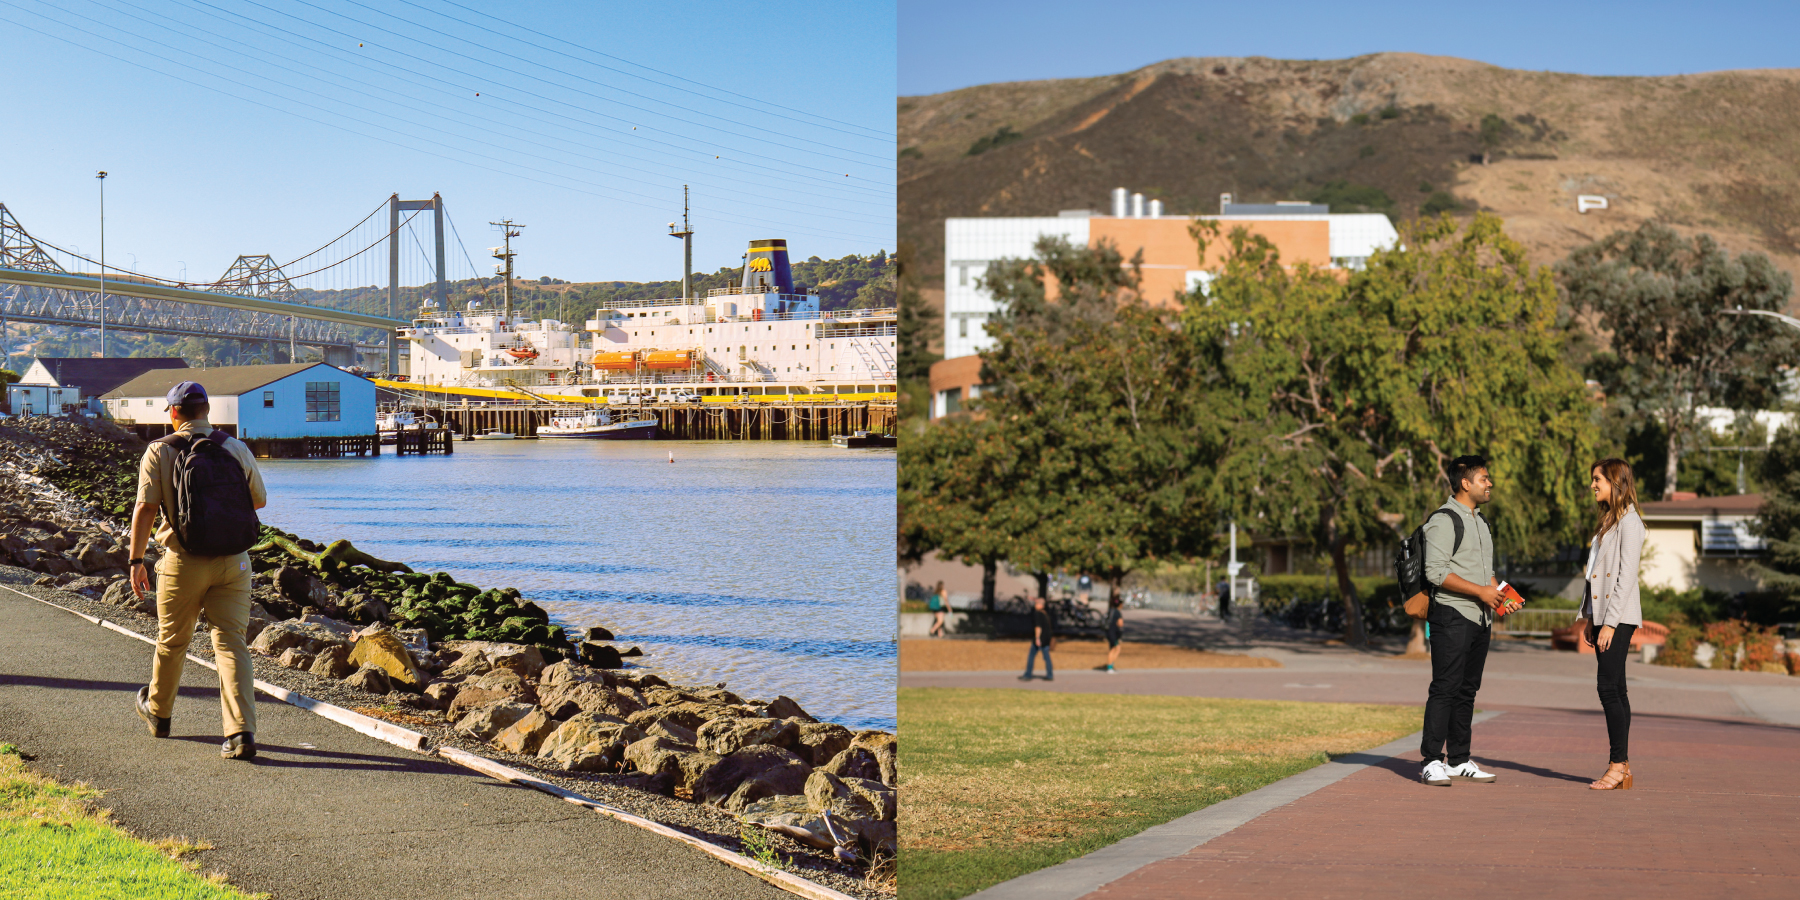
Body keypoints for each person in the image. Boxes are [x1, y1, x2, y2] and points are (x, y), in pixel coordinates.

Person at [128, 382, 268, 761]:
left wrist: (136, 560)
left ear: (174, 413)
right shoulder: (235, 448)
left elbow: (145, 508)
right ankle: (240, 733)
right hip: (234, 562)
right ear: (207, 411)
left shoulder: (159, 450)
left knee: (173, 640)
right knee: (231, 643)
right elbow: (259, 500)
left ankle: (159, 714)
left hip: (183, 561)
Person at [1419, 454, 1502, 787]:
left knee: (1467, 690)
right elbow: (1436, 572)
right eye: (1484, 478)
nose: (1490, 483)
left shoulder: (1480, 521)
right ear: (1465, 483)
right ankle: (1429, 761)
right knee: (1445, 687)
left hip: (1479, 617)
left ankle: (1459, 759)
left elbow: (1485, 570)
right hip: (1451, 613)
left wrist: (1496, 592)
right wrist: (1480, 592)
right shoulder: (1443, 519)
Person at [1582, 458, 1645, 790]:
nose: (1592, 485)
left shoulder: (1631, 524)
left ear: (1615, 482)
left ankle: (1617, 764)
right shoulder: (1610, 521)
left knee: (1607, 688)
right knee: (1616, 689)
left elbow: (1625, 577)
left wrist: (1609, 623)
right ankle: (1623, 766)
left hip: (1618, 616)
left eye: (1598, 479)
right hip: (1605, 616)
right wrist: (1591, 618)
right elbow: (1594, 575)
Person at [1020, 593, 1054, 681]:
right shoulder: (1045, 613)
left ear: (1040, 605)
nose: (1035, 605)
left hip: (1040, 638)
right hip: (1047, 638)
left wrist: (1037, 638)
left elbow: (1038, 627)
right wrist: (1034, 599)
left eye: (1036, 604)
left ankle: (1028, 675)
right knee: (1047, 657)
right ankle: (1050, 675)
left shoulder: (1037, 614)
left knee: (1031, 656)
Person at [1102, 594, 1125, 673]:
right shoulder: (1118, 612)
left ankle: (1110, 665)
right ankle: (1110, 666)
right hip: (1113, 633)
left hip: (1108, 632)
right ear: (1120, 604)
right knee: (1115, 649)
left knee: (1114, 648)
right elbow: (1120, 623)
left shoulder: (1110, 610)